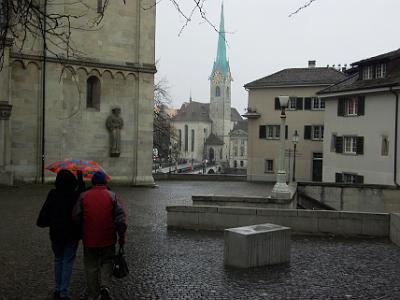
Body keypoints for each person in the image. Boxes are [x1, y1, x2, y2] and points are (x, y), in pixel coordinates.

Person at [73, 171, 127, 300]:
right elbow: (121, 219)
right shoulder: (112, 196)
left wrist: (83, 227)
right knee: (107, 262)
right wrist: (122, 239)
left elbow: (75, 216)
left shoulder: (83, 196)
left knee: (91, 266)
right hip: (108, 238)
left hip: (89, 238)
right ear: (105, 182)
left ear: (92, 183)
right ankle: (105, 286)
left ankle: (94, 294)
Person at [37, 170, 85, 300]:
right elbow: (83, 193)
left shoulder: (52, 194)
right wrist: (80, 177)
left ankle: (58, 290)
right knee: (67, 261)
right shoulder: (75, 195)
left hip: (56, 233)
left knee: (58, 260)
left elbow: (45, 212)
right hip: (71, 234)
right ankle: (64, 293)